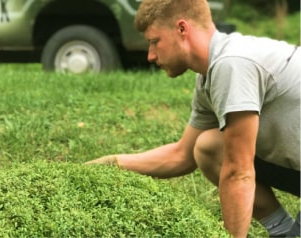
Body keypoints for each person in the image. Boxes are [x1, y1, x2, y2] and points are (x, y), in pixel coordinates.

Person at [85, 0, 300, 237]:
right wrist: (112, 164)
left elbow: (238, 172)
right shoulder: (210, 74)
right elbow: (183, 155)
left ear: (182, 29)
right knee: (207, 146)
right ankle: (283, 230)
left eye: (154, 42)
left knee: (234, 164)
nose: (150, 55)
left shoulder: (232, 64)